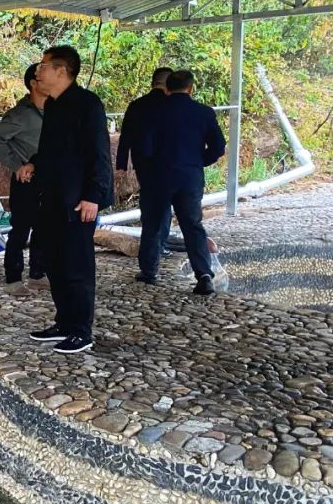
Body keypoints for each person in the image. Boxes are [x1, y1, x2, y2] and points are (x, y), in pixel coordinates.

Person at [16, 46, 113, 354]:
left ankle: (81, 331)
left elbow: (99, 153)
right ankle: (64, 322)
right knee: (55, 263)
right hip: (52, 197)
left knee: (77, 266)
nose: (38, 71)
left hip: (77, 200)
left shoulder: (87, 104)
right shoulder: (54, 105)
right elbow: (51, 150)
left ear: (62, 71)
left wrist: (93, 196)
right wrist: (34, 163)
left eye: (43, 66)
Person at [141, 70, 226, 295]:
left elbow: (145, 148)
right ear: (191, 88)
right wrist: (198, 162)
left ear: (167, 88)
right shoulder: (204, 112)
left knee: (153, 223)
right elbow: (218, 147)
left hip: (158, 176)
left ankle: (149, 270)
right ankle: (204, 274)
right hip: (190, 177)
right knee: (192, 225)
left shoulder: (154, 112)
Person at [0, 63, 48, 297]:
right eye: (44, 77)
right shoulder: (21, 114)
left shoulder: (54, 109)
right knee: (20, 230)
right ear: (33, 83)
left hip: (48, 178)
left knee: (44, 228)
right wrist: (17, 165)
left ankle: (38, 275)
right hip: (26, 181)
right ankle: (13, 279)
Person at [118, 67, 174, 283]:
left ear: (153, 82)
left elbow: (125, 136)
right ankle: (161, 245)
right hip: (170, 164)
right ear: (169, 84)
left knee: (150, 210)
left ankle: (149, 264)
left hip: (144, 163)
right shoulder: (172, 105)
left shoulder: (137, 105)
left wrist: (122, 163)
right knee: (165, 207)